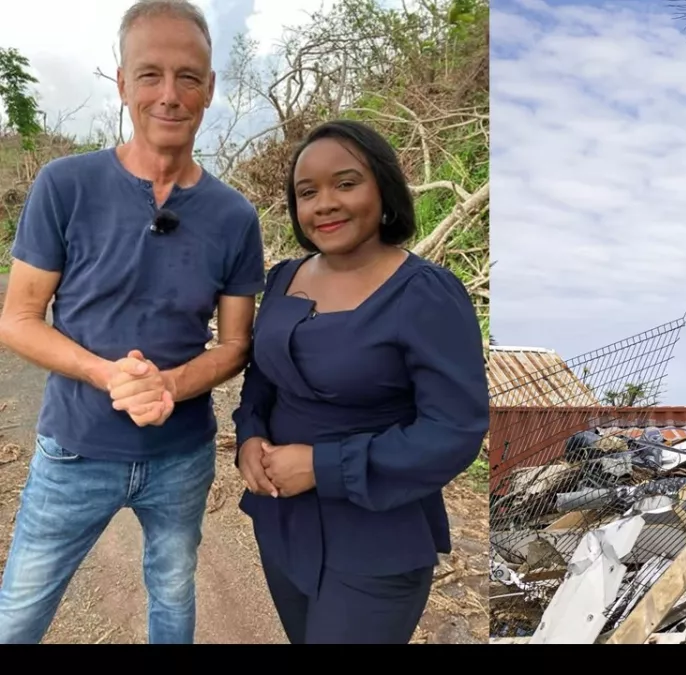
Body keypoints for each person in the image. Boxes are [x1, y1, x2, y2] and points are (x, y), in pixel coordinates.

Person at [0, 0, 264, 644]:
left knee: (173, 599)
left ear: (209, 89)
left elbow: (235, 344)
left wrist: (169, 386)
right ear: (122, 83)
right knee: (19, 613)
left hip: (181, 457)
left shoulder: (234, 217)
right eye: (150, 75)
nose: (169, 95)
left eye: (188, 77)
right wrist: (106, 373)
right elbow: (18, 319)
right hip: (74, 451)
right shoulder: (65, 186)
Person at [231, 119, 488, 644]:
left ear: (384, 189)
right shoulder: (284, 278)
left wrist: (323, 466)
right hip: (281, 522)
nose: (324, 203)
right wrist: (249, 436)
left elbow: (454, 429)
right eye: (308, 192)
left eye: (346, 183)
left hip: (374, 541)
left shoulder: (426, 294)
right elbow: (263, 377)